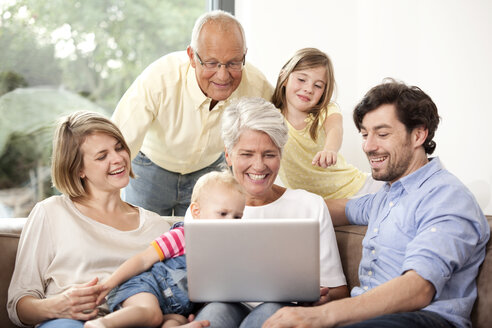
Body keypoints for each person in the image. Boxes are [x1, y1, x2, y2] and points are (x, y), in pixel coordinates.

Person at [263, 80, 490, 328]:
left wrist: (324, 315)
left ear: (419, 134)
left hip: (425, 319)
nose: (368, 146)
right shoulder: (388, 195)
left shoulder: (447, 198)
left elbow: (419, 288)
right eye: (364, 134)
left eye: (382, 134)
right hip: (370, 319)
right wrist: (262, 191)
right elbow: (334, 208)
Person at [191, 97, 349, 327]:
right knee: (214, 312)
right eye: (246, 154)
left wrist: (319, 300)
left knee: (273, 311)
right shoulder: (205, 206)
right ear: (228, 155)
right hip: (222, 308)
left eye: (269, 154)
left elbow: (338, 292)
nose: (259, 166)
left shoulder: (310, 206)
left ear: (281, 155)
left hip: (285, 310)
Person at [7, 111, 172, 328]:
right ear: (78, 169)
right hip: (68, 322)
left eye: (119, 147)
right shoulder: (51, 212)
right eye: (102, 156)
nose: (117, 158)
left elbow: (171, 297)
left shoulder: (156, 226)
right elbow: (18, 304)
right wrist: (56, 306)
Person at [112, 10, 272, 216]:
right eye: (212, 63)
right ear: (192, 56)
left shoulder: (257, 86)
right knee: (143, 237)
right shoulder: (159, 79)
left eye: (233, 63)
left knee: (201, 242)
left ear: (244, 56)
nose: (223, 76)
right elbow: (118, 141)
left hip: (208, 171)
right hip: (151, 167)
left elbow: (286, 126)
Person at [84, 170, 245, 328]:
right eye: (223, 213)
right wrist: (108, 284)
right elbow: (143, 260)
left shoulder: (225, 255)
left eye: (237, 217)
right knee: (151, 314)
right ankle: (102, 324)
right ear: (197, 211)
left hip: (174, 309)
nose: (231, 221)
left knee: (178, 320)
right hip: (145, 288)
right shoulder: (183, 235)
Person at [272, 47, 382, 199]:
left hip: (357, 187)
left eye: (317, 85)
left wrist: (330, 149)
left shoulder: (326, 111)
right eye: (301, 79)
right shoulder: (272, 117)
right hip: (320, 203)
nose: (308, 89)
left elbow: (335, 130)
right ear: (284, 77)